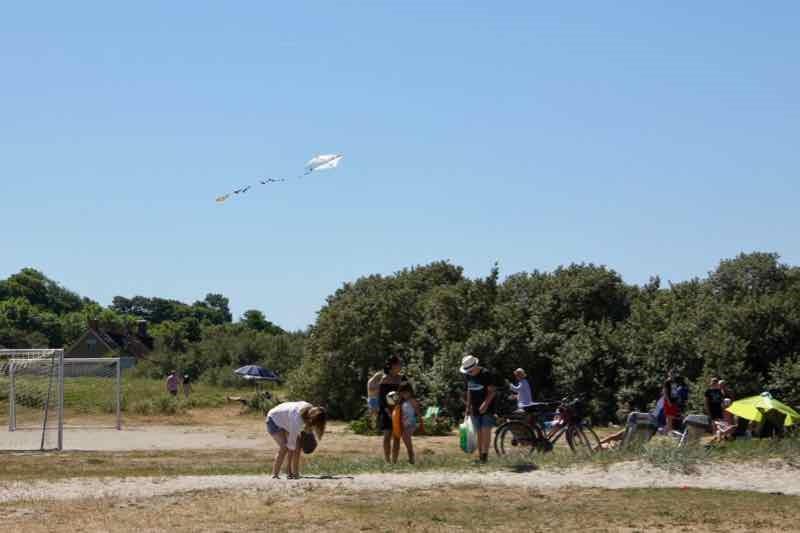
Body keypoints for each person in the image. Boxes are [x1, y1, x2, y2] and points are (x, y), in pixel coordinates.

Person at [265, 401, 326, 479]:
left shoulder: (309, 408)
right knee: (285, 447)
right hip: (273, 420)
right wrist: (292, 471)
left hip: (285, 420)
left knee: (297, 446)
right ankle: (275, 474)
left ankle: (293, 472)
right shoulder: (297, 420)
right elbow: (291, 445)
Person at [460, 355, 497, 464]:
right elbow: (469, 390)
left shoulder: (486, 374)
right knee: (479, 432)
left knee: (485, 430)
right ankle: (480, 456)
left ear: (475, 366)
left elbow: (493, 391)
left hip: (488, 406)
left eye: (471, 371)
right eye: (468, 371)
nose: (469, 373)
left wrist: (485, 404)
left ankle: (485, 457)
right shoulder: (468, 375)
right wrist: (468, 407)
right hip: (474, 407)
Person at [378, 356, 405, 463]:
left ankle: (395, 461)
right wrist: (388, 412)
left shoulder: (402, 378)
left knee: (397, 435)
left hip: (398, 410)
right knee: (387, 435)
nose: (401, 366)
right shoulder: (384, 379)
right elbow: (381, 398)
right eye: (399, 364)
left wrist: (401, 408)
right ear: (393, 365)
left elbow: (406, 394)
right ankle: (387, 460)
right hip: (386, 411)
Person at [397, 382, 422, 464]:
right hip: (405, 423)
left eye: (406, 392)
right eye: (402, 393)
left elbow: (418, 412)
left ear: (410, 392)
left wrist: (420, 423)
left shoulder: (412, 400)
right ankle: (411, 457)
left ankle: (411, 457)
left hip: (411, 423)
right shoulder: (403, 402)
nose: (404, 394)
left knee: (406, 438)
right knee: (405, 439)